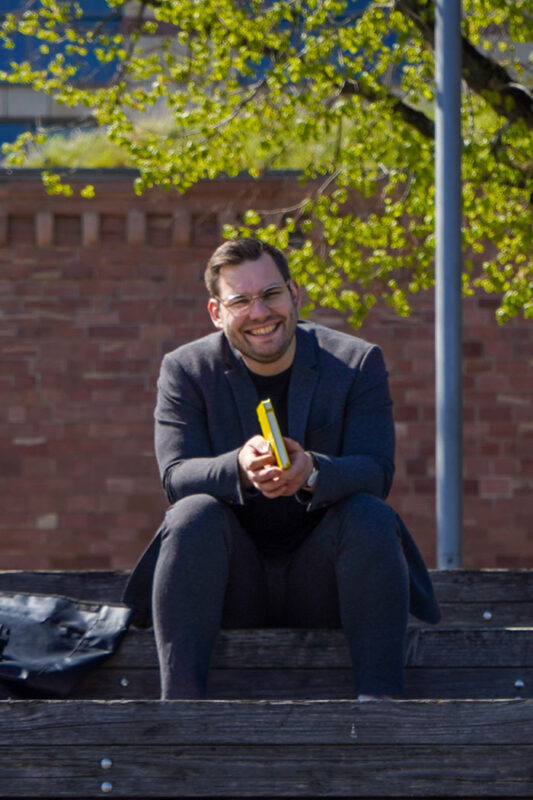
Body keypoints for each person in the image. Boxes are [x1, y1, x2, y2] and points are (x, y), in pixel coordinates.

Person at [123, 237, 440, 700]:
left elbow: (376, 471)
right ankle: (182, 716)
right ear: (217, 312)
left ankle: (380, 710)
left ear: (295, 294)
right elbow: (176, 475)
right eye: (241, 301)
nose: (260, 313)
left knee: (372, 515)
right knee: (190, 516)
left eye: (271, 294)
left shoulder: (355, 362)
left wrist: (313, 470)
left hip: (326, 580)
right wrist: (238, 466)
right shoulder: (186, 369)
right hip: (232, 582)